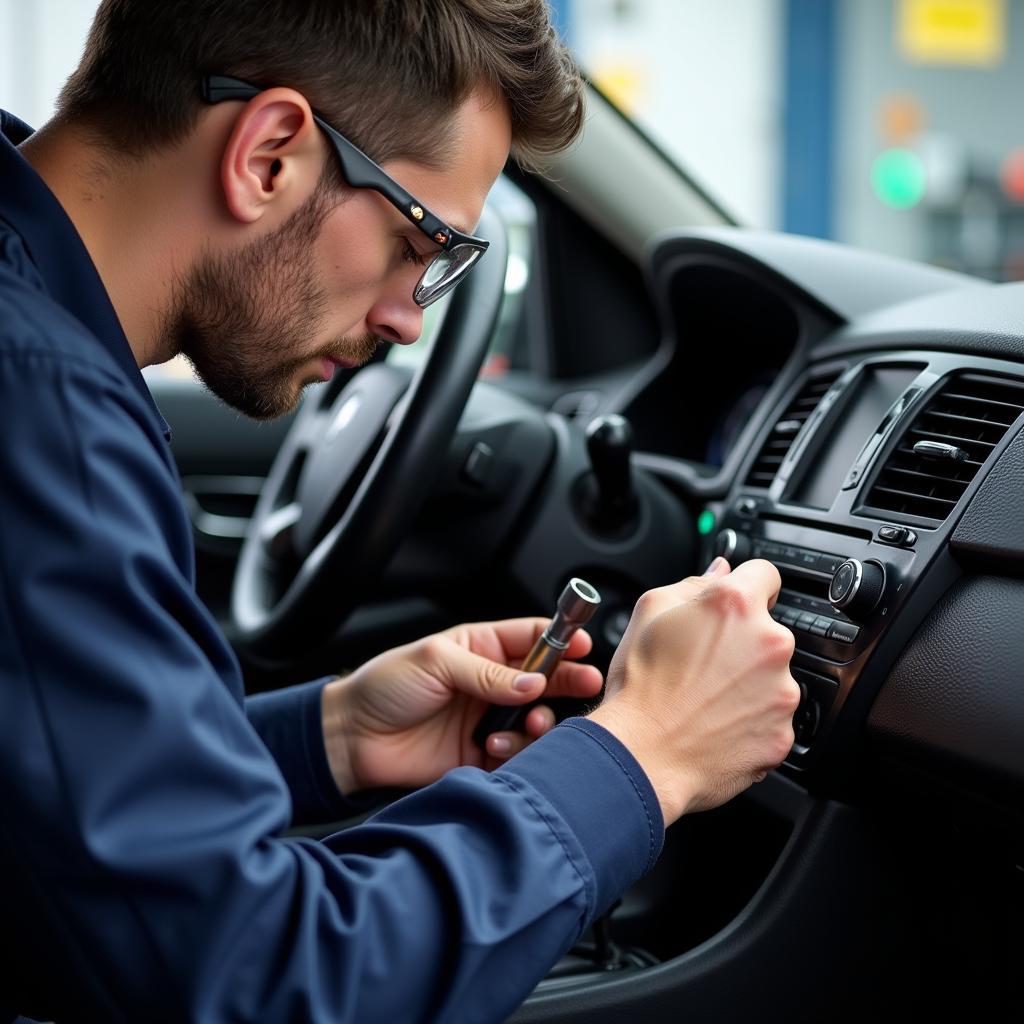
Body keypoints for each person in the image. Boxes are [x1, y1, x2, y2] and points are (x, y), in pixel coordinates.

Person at [0, 1, 800, 1021]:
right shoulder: (41, 410)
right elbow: (257, 983)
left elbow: (61, 804)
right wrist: (648, 752)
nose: (407, 319)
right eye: (419, 242)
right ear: (269, 155)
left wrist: (327, 738)